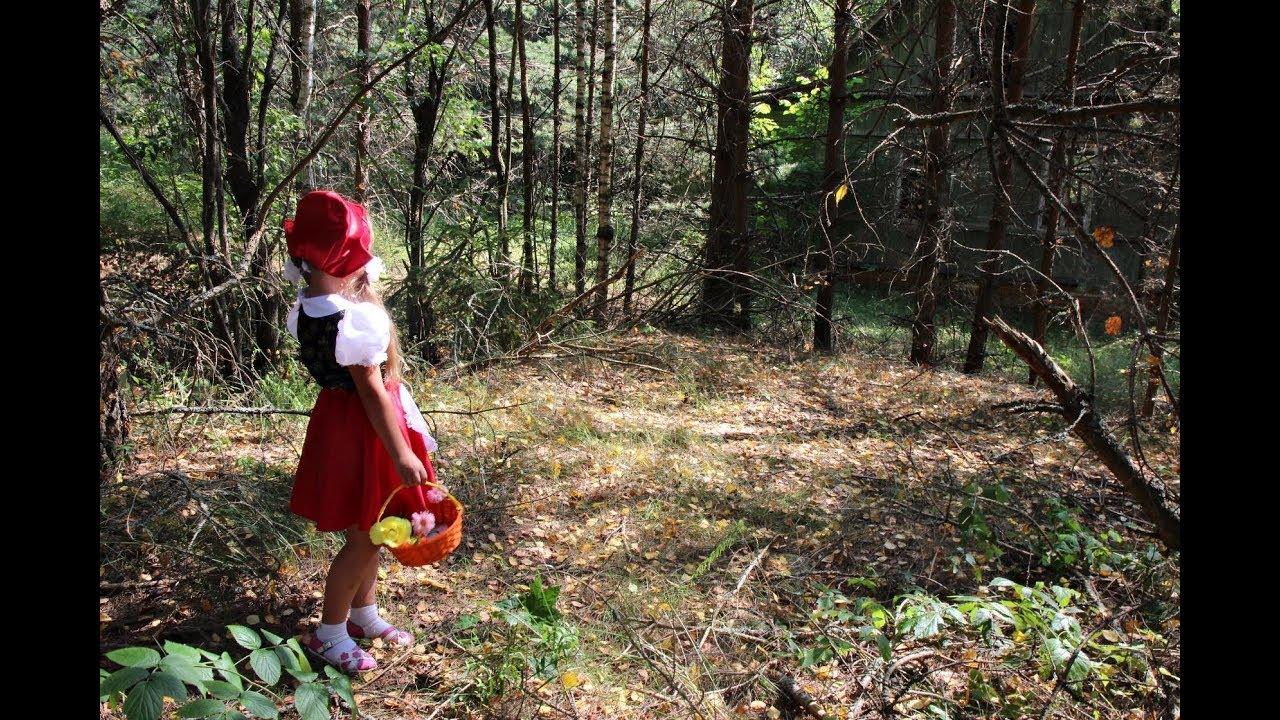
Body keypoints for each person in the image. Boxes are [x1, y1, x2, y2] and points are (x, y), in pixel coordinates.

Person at [282, 190, 441, 674]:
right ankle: (329, 633)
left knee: (370, 526)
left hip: (337, 425)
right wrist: (402, 455)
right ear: (347, 257)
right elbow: (372, 392)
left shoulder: (305, 309)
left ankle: (363, 615)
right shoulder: (356, 318)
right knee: (365, 538)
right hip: (367, 432)